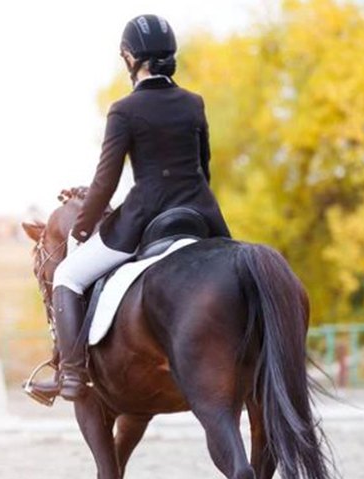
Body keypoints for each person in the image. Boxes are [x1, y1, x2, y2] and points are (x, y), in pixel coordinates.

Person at [33, 14, 231, 401]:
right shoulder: (194, 103)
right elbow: (202, 170)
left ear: (129, 58)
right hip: (202, 215)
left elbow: (106, 182)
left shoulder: (124, 110)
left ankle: (71, 374)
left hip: (145, 218)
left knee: (68, 277)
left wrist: (82, 229)